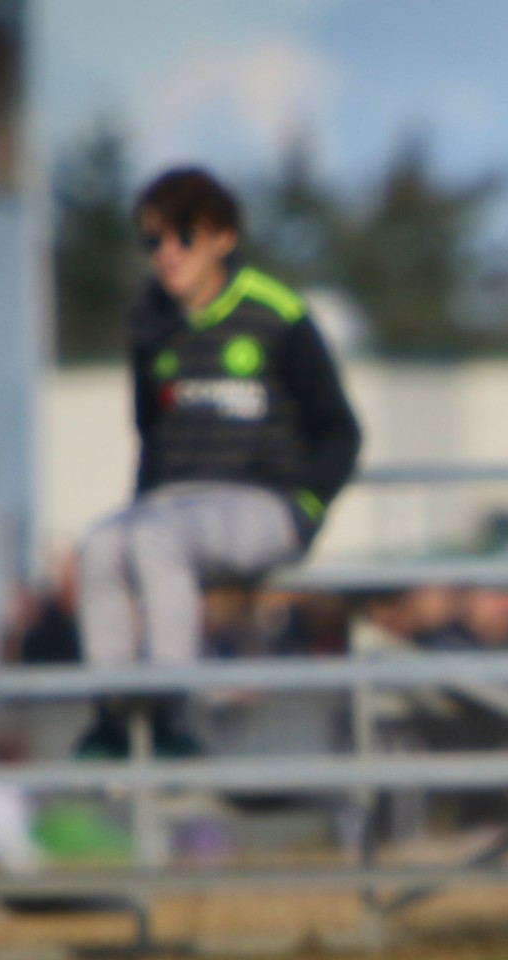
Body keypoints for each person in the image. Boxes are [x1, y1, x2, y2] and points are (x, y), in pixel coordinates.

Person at [73, 167, 360, 757]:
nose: (167, 254)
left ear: (223, 238)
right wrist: (142, 502)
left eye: (184, 236)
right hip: (171, 505)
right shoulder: (150, 324)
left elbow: (340, 430)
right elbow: (151, 435)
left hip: (263, 504)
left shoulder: (276, 313)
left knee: (155, 540)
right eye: (153, 241)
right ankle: (114, 715)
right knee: (98, 547)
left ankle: (171, 715)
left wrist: (307, 505)